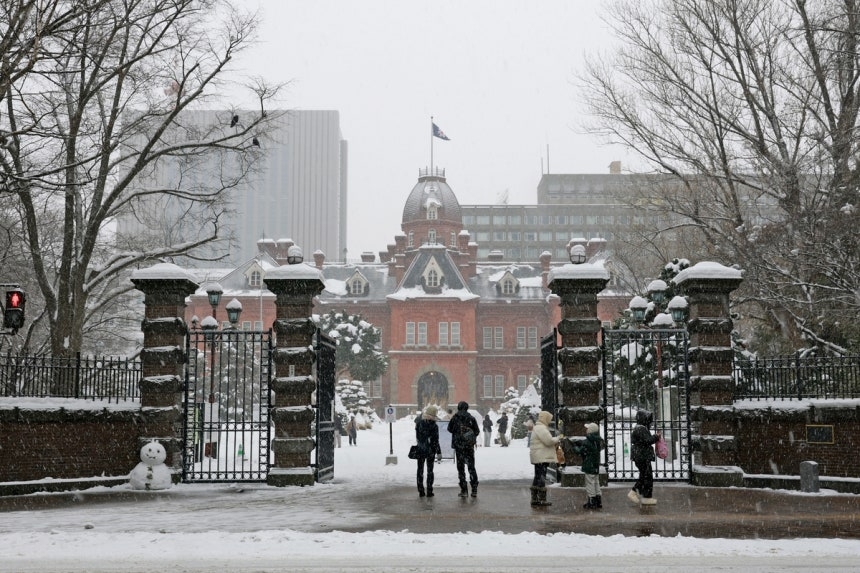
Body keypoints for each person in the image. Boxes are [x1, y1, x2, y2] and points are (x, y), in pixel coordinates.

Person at [448, 401, 480, 497]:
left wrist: (458, 432)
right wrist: (468, 434)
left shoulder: (455, 418)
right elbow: (477, 431)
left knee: (461, 469)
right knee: (471, 467)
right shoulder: (471, 418)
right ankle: (474, 489)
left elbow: (449, 429)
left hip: (459, 447)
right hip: (469, 447)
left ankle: (464, 490)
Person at [529, 410, 560, 507]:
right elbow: (549, 441)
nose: (550, 421)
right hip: (541, 456)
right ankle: (541, 499)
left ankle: (535, 498)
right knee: (541, 476)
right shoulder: (541, 428)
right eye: (549, 419)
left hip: (538, 455)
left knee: (537, 476)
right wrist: (558, 438)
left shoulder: (538, 427)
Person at [629, 410, 660, 506]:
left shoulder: (640, 428)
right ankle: (639, 494)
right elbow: (647, 440)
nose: (649, 421)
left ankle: (642, 494)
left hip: (641, 456)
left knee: (645, 476)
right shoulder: (640, 429)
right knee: (647, 476)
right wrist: (656, 437)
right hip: (641, 456)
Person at [572, 422, 604, 509]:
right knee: (596, 483)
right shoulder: (598, 441)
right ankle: (598, 501)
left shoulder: (587, 442)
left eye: (587, 429)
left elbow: (579, 451)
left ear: (590, 431)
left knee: (590, 484)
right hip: (595, 465)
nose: (586, 430)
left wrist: (574, 446)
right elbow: (590, 446)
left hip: (589, 466)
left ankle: (592, 501)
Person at [414, 405, 441, 497]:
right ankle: (429, 490)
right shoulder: (434, 426)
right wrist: (438, 452)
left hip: (421, 449)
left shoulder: (419, 423)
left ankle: (421, 490)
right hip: (431, 450)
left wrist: (422, 443)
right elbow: (436, 440)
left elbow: (417, 437)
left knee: (420, 470)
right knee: (430, 470)